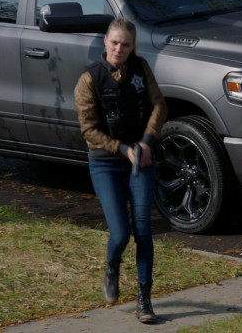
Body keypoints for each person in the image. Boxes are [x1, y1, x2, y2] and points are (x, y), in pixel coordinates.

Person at [73, 18, 167, 323]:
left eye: (126, 44)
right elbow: (88, 130)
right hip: (105, 162)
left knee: (143, 229)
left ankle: (145, 299)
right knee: (121, 233)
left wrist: (147, 141)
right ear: (105, 41)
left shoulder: (140, 67)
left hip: (140, 158)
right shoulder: (89, 78)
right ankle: (112, 265)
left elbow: (159, 105)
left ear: (132, 46)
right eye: (115, 42)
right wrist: (122, 149)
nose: (119, 49)